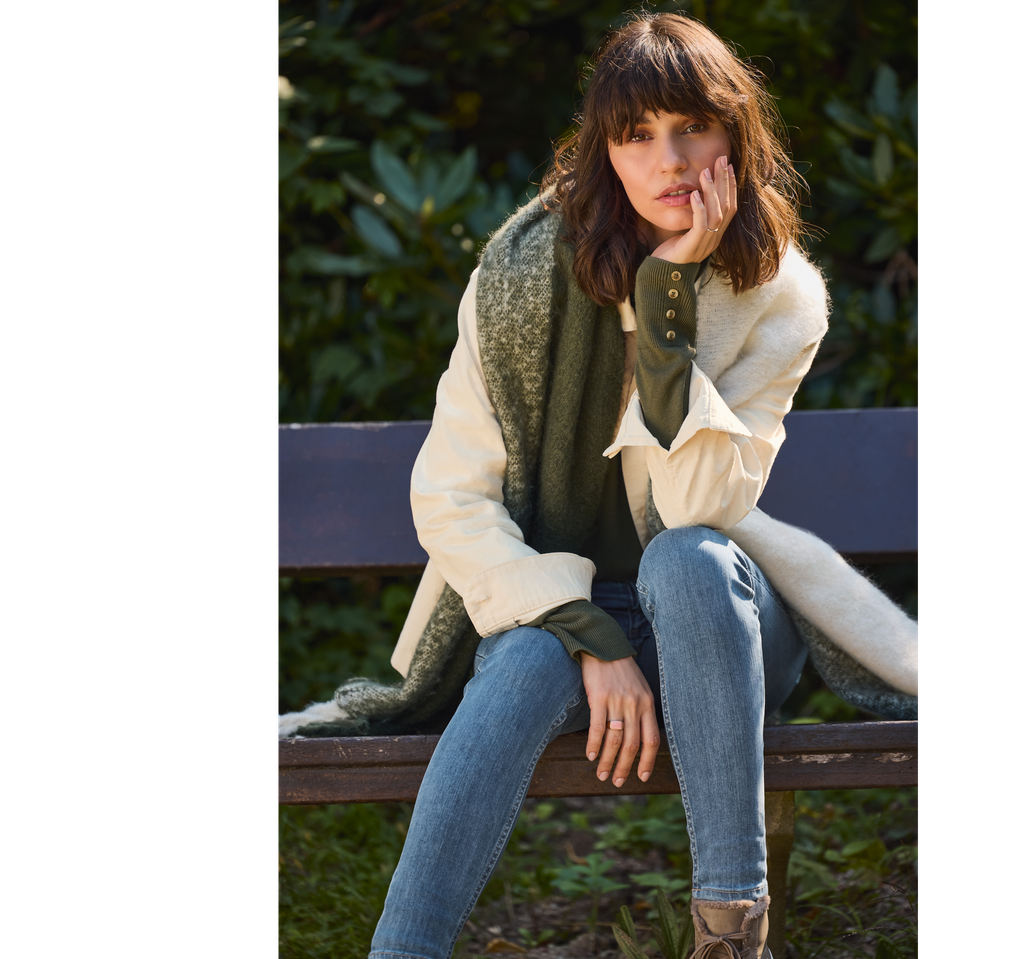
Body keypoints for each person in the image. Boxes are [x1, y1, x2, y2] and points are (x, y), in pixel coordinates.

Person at [283, 12, 917, 959]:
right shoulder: (516, 275)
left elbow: (700, 504)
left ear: (735, 135)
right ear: (604, 153)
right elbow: (451, 498)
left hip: (722, 621)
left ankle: (730, 931)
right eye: (636, 135)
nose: (670, 161)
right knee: (526, 660)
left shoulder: (778, 293)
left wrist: (667, 300)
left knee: (687, 558)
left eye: (692, 128)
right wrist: (591, 634)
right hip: (565, 611)